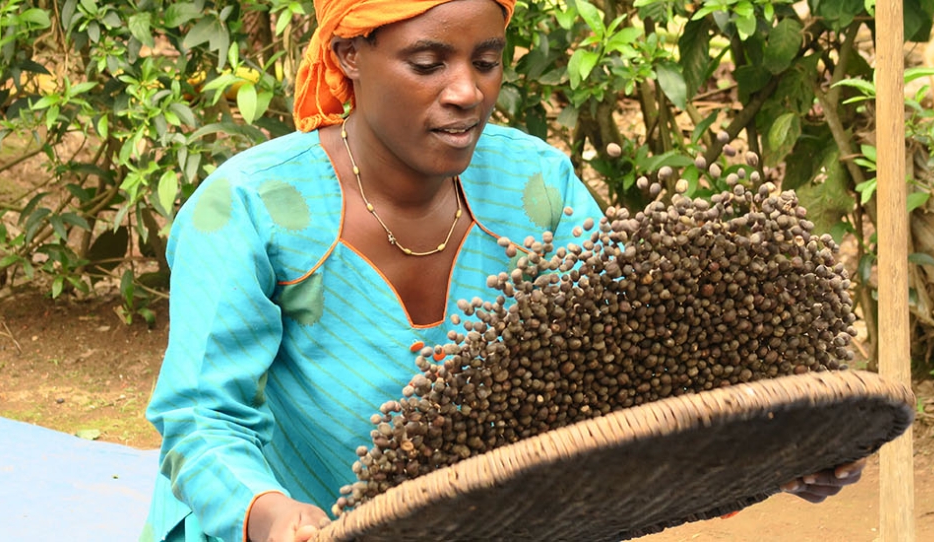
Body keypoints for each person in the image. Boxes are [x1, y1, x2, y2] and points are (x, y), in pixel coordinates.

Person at [141, 1, 865, 541]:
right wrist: (267, 515)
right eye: (429, 64)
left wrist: (772, 446)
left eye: (484, 62)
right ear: (350, 55)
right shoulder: (248, 208)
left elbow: (631, 378)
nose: (467, 91)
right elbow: (200, 417)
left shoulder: (535, 187)